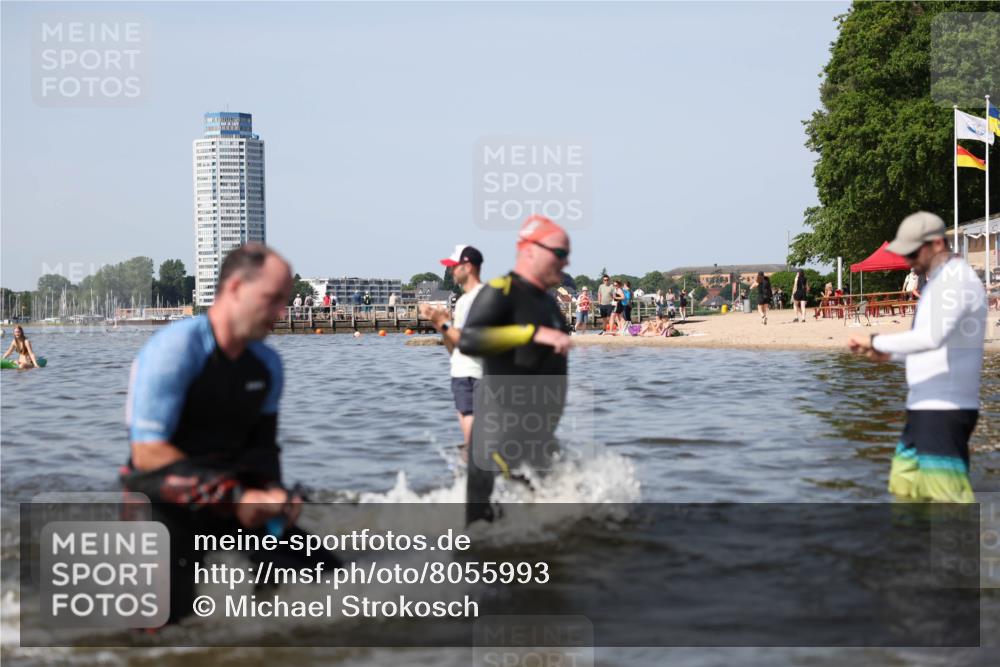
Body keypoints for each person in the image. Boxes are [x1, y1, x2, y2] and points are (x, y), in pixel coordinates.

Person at [121, 243, 340, 623]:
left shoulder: (267, 365)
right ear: (236, 288)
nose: (282, 314)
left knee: (332, 584)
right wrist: (239, 495)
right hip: (165, 499)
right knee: (160, 630)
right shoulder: (175, 350)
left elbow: (263, 451)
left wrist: (274, 494)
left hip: (234, 498)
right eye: (273, 300)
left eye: (285, 301)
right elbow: (147, 454)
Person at [848, 212, 986, 503]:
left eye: (912, 252)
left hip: (945, 409)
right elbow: (932, 344)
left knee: (950, 506)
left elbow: (932, 337)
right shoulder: (939, 282)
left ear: (936, 243)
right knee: (905, 491)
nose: (907, 259)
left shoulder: (957, 280)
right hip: (923, 406)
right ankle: (913, 548)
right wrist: (888, 352)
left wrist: (876, 339)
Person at [458, 215, 572, 524]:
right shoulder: (501, 290)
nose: (567, 261)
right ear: (530, 249)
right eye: (560, 253)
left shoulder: (548, 303)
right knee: (483, 542)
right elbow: (469, 339)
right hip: (497, 442)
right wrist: (530, 333)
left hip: (539, 440)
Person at [420, 245, 485, 462]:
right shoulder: (464, 300)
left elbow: (471, 343)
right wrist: (442, 327)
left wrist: (443, 324)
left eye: (454, 267)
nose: (450, 271)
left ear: (468, 267)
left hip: (475, 374)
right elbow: (454, 348)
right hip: (461, 372)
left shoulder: (481, 298)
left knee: (474, 443)